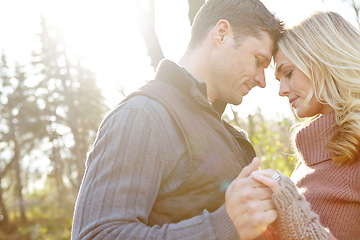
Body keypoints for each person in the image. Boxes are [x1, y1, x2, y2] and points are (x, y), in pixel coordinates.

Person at [71, 0, 284, 239]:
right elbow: (97, 235)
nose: (262, 80)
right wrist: (221, 227)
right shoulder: (142, 116)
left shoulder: (224, 133)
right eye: (258, 61)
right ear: (222, 34)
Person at [251, 11, 360, 240]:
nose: (281, 91)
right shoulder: (310, 156)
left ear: (324, 61)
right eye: (279, 80)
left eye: (288, 73)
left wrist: (288, 202)